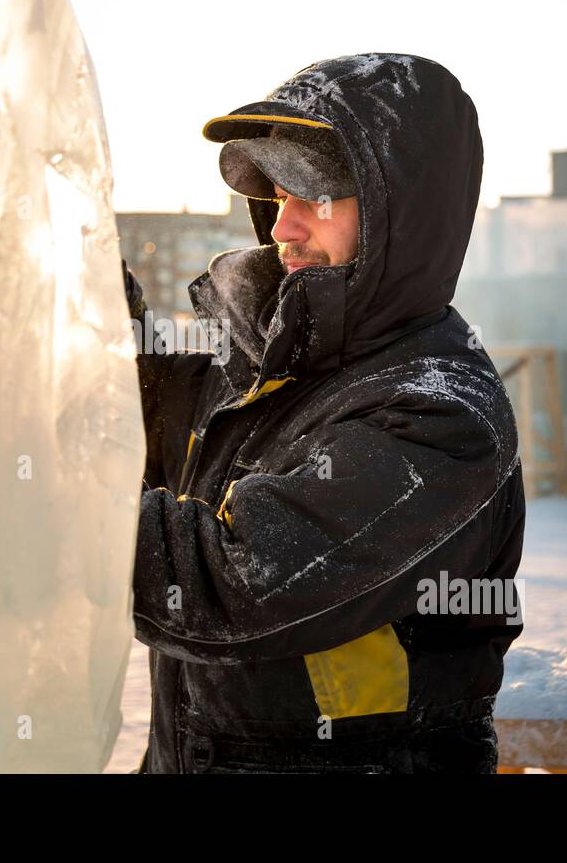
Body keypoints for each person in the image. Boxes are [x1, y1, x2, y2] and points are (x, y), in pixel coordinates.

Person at [122, 52, 524, 773]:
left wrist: (51, 516)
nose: (283, 228)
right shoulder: (265, 374)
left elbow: (229, 585)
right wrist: (71, 288)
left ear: (403, 213)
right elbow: (131, 414)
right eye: (277, 196)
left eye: (317, 197)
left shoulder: (441, 417)